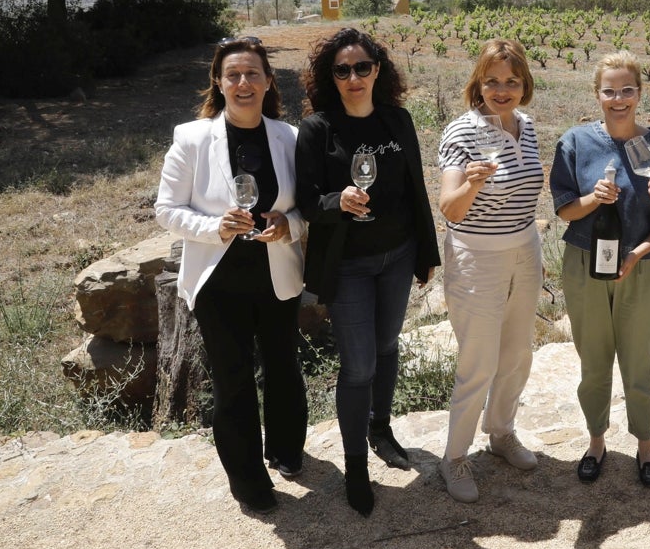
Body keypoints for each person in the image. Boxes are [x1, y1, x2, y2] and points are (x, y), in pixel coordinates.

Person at [155, 36, 308, 514]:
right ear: (219, 83)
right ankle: (248, 482)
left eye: (252, 74)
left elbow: (306, 208)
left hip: (277, 274)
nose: (244, 83)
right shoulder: (191, 139)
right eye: (233, 75)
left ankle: (285, 450)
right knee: (234, 381)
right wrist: (212, 226)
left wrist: (289, 224)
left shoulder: (290, 138)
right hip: (219, 283)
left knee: (284, 368)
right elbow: (166, 210)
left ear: (268, 81)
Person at [294, 27, 440, 517]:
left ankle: (381, 428)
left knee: (386, 346)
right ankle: (355, 463)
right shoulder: (318, 129)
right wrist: (340, 201)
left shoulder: (397, 121)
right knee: (358, 366)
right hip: (349, 266)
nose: (353, 77)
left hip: (396, 256)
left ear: (378, 70)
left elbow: (416, 190)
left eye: (362, 67)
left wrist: (425, 253)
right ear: (329, 76)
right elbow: (308, 201)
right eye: (342, 69)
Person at [549, 51, 650, 488]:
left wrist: (636, 254)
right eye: (610, 90)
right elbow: (566, 211)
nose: (619, 98)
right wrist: (595, 199)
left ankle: (645, 445)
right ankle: (596, 441)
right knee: (593, 361)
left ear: (639, 93)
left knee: (638, 361)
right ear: (597, 95)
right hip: (584, 263)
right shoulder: (574, 143)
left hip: (640, 267)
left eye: (627, 90)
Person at [437, 39, 544, 503]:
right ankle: (454, 457)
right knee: (477, 361)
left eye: (511, 81)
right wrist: (474, 184)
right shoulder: (461, 132)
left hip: (525, 247)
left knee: (518, 352)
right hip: (476, 256)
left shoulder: (529, 125)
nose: (502, 90)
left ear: (524, 85)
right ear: (478, 83)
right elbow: (450, 209)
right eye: (493, 81)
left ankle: (501, 433)